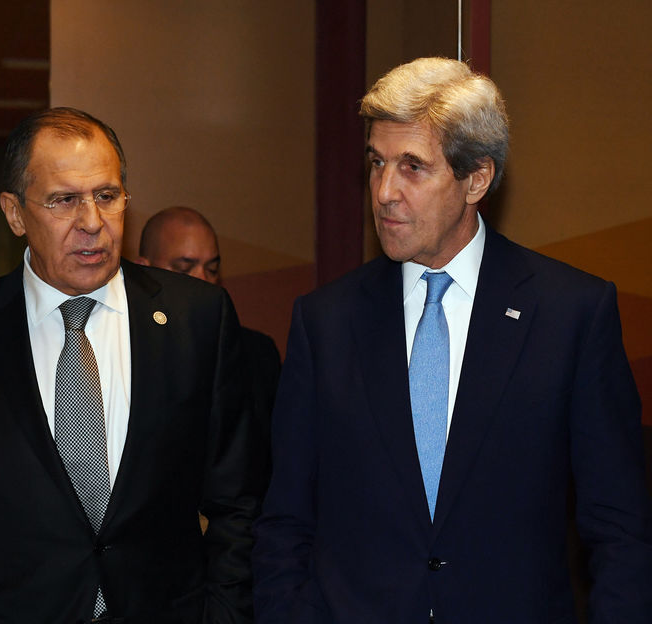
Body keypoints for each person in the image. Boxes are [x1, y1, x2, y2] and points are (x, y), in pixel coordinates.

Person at [252, 58, 652, 623]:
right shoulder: (326, 322)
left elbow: (620, 530)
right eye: (376, 163)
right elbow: (286, 521)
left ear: (477, 179)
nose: (385, 191)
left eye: (413, 167)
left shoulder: (570, 314)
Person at [0, 107, 264, 624]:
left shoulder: (197, 319)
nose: (92, 222)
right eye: (64, 200)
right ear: (15, 213)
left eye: (107, 196)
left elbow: (237, 504)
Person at [138, 207, 281, 482]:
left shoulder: (257, 354)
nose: (203, 281)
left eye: (212, 269)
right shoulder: (125, 354)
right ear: (144, 271)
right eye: (184, 268)